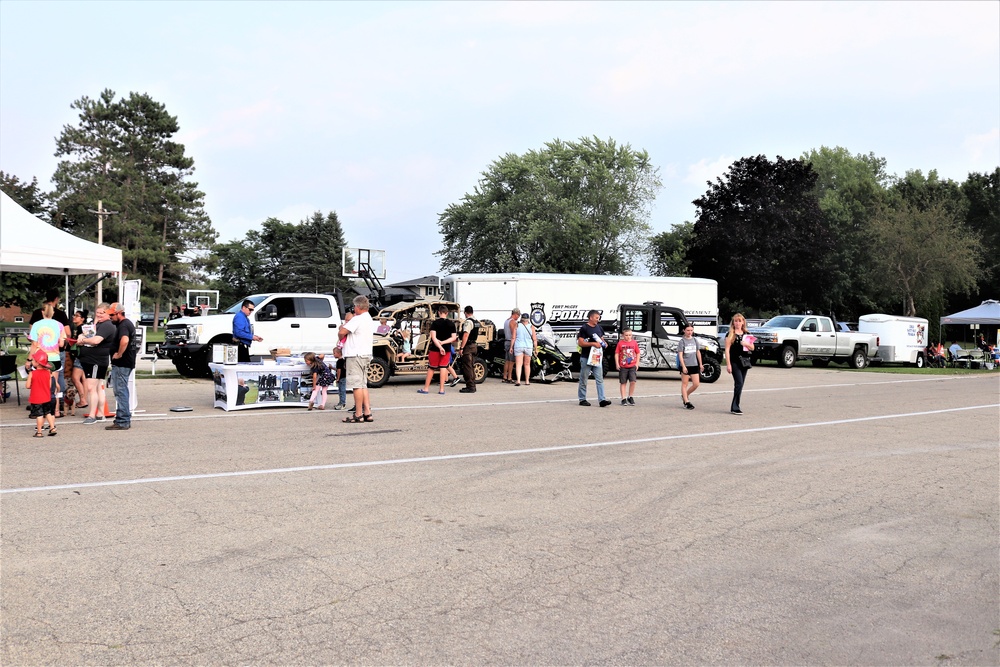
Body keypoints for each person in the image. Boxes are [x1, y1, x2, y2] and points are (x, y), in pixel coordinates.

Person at [29, 290, 71, 413]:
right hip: (55, 357)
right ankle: (56, 410)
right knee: (55, 383)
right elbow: (63, 341)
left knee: (40, 383)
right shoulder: (59, 324)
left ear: (42, 312)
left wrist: (29, 359)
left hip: (40, 358)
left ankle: (40, 409)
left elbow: (33, 342)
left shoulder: (37, 323)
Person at [77, 303, 116, 424]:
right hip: (91, 359)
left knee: (91, 387)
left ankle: (92, 415)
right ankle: (100, 413)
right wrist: (81, 336)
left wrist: (82, 340)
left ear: (108, 313)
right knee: (98, 387)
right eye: (97, 312)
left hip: (96, 360)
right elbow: (89, 334)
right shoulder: (98, 324)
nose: (98, 315)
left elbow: (95, 340)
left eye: (102, 313)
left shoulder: (107, 326)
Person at [340, 295, 375, 423]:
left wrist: (340, 332)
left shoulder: (358, 319)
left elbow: (342, 332)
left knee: (356, 386)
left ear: (358, 306)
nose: (354, 309)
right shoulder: (368, 318)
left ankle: (358, 414)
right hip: (365, 354)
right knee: (363, 384)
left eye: (355, 306)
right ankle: (367, 412)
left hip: (355, 355)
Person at [106, 302, 136, 431]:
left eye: (112, 315)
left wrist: (118, 354)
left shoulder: (124, 325)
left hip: (122, 363)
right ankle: (122, 418)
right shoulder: (124, 324)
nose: (110, 317)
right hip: (124, 363)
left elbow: (125, 340)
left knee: (120, 391)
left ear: (119, 313)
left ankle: (123, 420)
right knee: (121, 390)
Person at [419, 304, 457, 395]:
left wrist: (439, 346)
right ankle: (442, 389)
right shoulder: (451, 324)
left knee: (431, 368)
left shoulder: (435, 323)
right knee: (443, 367)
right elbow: (453, 338)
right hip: (447, 348)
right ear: (447, 313)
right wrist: (443, 343)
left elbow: (433, 337)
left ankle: (426, 388)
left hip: (435, 349)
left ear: (439, 313)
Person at [577, 310, 612, 407]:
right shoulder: (584, 328)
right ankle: (582, 399)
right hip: (586, 357)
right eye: (596, 317)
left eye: (599, 317)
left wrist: (604, 343)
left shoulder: (599, 328)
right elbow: (580, 342)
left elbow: (601, 338)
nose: (598, 319)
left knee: (599, 379)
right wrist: (592, 344)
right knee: (584, 378)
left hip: (597, 357)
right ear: (591, 317)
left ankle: (602, 400)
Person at [725, 313, 755, 415]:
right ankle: (735, 407)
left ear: (743, 322)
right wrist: (728, 364)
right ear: (733, 322)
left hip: (745, 361)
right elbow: (727, 350)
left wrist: (746, 344)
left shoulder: (747, 333)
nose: (737, 323)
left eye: (739, 321)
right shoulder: (730, 334)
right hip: (734, 361)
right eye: (735, 321)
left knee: (740, 385)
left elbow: (752, 347)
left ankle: (735, 405)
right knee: (739, 383)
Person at [25, 350, 57, 438]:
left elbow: (27, 386)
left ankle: (39, 432)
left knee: (39, 415)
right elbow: (50, 386)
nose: (32, 361)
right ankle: (52, 427)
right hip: (47, 397)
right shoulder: (48, 373)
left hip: (36, 398)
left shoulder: (32, 373)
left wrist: (34, 385)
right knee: (48, 413)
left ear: (37, 363)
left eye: (33, 360)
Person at [678, 324, 704, 409]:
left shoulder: (695, 340)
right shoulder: (682, 341)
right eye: (688, 330)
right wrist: (683, 366)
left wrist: (700, 364)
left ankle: (685, 395)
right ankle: (686, 401)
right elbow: (680, 355)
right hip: (686, 365)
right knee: (684, 384)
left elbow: (698, 352)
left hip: (694, 364)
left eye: (691, 330)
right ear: (684, 330)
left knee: (696, 384)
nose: (689, 332)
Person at [457, 305, 479, 393]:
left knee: (467, 367)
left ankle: (470, 386)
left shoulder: (468, 322)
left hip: (468, 346)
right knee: (471, 366)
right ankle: (472, 385)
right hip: (474, 345)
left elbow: (466, 335)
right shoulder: (476, 321)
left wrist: (461, 347)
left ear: (465, 312)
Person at [615, 327, 640, 406]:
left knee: (633, 381)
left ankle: (630, 396)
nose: (628, 337)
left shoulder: (634, 343)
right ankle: (623, 398)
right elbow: (617, 353)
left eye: (630, 335)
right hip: (623, 366)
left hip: (632, 365)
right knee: (623, 382)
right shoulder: (620, 343)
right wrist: (617, 364)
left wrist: (637, 363)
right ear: (623, 335)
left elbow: (638, 353)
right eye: (626, 335)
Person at [512, 312, 537, 386]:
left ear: (521, 319)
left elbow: (513, 338)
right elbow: (535, 339)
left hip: (518, 346)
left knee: (519, 365)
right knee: (527, 364)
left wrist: (511, 347)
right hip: (528, 347)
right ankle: (527, 381)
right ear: (528, 319)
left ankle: (518, 381)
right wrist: (536, 349)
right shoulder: (531, 327)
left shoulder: (517, 325)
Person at [502, 308, 520, 384]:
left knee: (507, 361)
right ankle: (509, 377)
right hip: (511, 342)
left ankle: (504, 377)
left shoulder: (506, 321)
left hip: (506, 341)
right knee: (511, 361)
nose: (518, 317)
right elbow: (514, 333)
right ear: (515, 314)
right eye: (518, 315)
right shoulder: (512, 322)